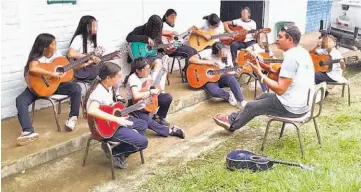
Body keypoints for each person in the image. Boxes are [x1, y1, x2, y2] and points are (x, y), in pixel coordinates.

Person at [213, 24, 315, 132]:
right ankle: (232, 118)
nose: (276, 39)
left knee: (252, 106)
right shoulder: (302, 52)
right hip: (303, 104)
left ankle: (232, 125)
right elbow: (279, 76)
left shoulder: (291, 58)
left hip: (292, 108)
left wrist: (260, 74)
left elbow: (280, 90)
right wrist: (261, 65)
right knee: (263, 95)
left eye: (280, 37)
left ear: (289, 39)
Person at [16, 33, 85, 145]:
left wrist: (89, 61)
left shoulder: (57, 56)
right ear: (45, 47)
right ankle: (28, 131)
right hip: (37, 87)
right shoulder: (36, 58)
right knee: (20, 100)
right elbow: (33, 68)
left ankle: (73, 117)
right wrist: (51, 73)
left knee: (76, 88)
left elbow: (70, 68)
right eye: (53, 44)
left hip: (55, 86)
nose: (55, 45)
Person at [85, 62, 148, 169]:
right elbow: (91, 110)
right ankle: (115, 152)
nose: (121, 79)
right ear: (108, 78)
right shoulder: (98, 91)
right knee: (143, 142)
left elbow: (111, 108)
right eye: (118, 76)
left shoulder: (109, 87)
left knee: (142, 125)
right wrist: (115, 119)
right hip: (103, 128)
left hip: (112, 123)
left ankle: (121, 152)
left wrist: (135, 107)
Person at [124, 58, 185, 139]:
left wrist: (156, 90)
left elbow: (154, 87)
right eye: (146, 69)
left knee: (167, 97)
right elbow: (136, 96)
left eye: (149, 68)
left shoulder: (147, 75)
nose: (149, 70)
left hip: (148, 100)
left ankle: (158, 117)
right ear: (138, 71)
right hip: (136, 105)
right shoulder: (133, 78)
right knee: (148, 122)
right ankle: (171, 131)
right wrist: (151, 92)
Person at [189, 42, 248, 108]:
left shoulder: (226, 55)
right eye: (221, 53)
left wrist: (234, 72)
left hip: (220, 76)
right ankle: (228, 95)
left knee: (231, 78)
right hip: (207, 79)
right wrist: (207, 62)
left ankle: (241, 101)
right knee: (214, 92)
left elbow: (228, 70)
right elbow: (191, 59)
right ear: (215, 53)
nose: (224, 54)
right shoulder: (207, 52)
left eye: (224, 51)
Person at [126, 15, 172, 92]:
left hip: (151, 57)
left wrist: (166, 49)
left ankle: (154, 86)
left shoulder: (157, 34)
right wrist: (146, 38)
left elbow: (159, 46)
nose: (157, 31)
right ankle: (155, 87)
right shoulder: (140, 29)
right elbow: (129, 37)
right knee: (156, 63)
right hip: (140, 57)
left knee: (160, 62)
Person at [162, 9, 198, 80]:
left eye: (174, 17)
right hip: (170, 48)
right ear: (166, 16)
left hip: (177, 44)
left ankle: (187, 69)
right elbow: (160, 33)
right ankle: (188, 75)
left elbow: (178, 38)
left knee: (194, 50)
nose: (173, 19)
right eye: (172, 17)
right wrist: (169, 33)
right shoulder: (162, 24)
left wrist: (188, 32)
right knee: (189, 51)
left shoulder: (173, 26)